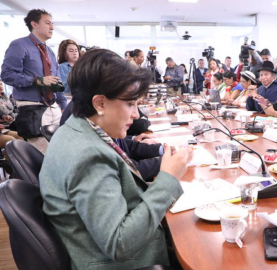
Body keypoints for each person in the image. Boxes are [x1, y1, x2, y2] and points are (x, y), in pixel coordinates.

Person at [40, 49, 191, 270]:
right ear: (100, 103)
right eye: (130, 104)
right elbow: (120, 243)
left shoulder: (77, 127)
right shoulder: (88, 155)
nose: (136, 115)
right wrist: (168, 178)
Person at [0, 9, 67, 154]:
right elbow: (6, 75)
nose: (52, 27)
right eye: (47, 23)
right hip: (33, 108)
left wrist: (62, 105)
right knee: (44, 154)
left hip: (53, 107)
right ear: (34, 24)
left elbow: (56, 79)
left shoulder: (49, 51)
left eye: (52, 24)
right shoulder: (19, 45)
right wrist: (37, 80)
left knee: (61, 152)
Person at [0, 79, 21, 149]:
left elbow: (7, 109)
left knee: (20, 136)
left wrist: (3, 116)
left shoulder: (0, 97)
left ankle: (21, 159)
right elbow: (3, 110)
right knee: (11, 141)